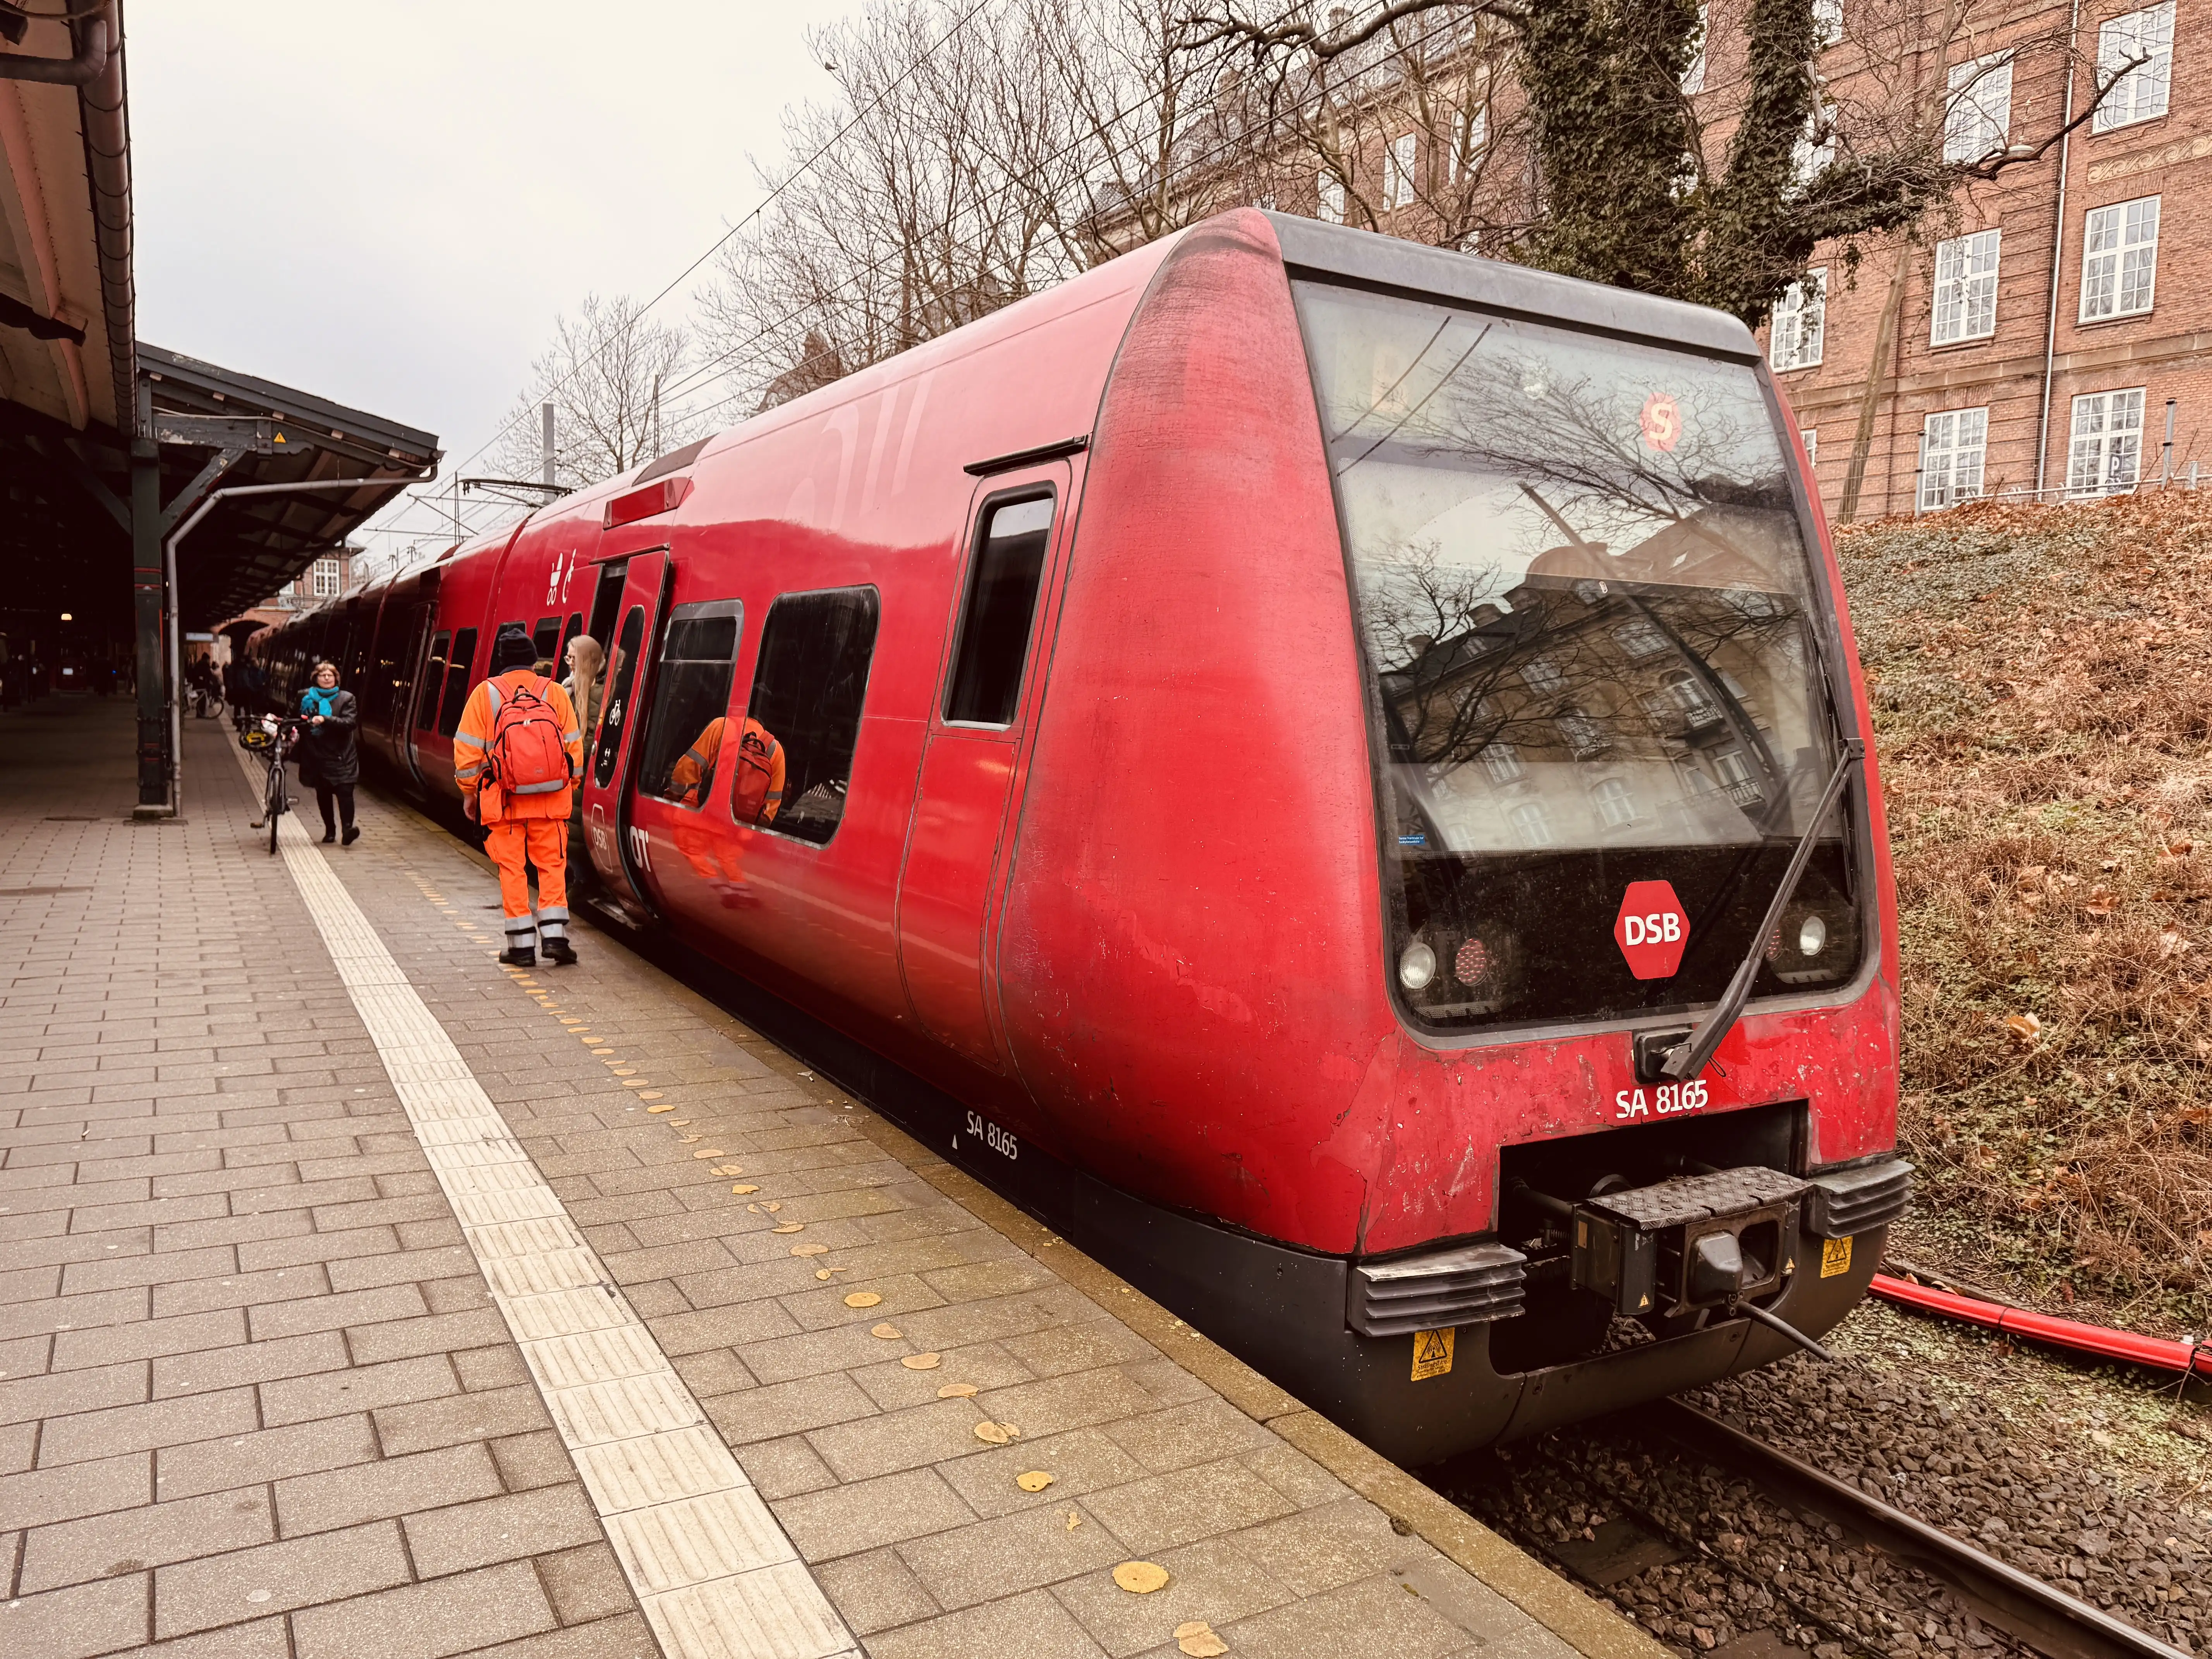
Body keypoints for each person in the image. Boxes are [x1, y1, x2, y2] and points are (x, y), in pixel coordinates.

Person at [455, 624, 585, 967]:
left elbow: (467, 756)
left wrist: (470, 795)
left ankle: (522, 947)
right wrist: (566, 787)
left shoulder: (484, 694)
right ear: (533, 661)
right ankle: (555, 939)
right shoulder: (554, 692)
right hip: (551, 801)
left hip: (503, 801)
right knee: (552, 866)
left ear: (502, 661)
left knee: (512, 869)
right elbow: (574, 749)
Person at [296, 661, 361, 845]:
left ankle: (347, 829)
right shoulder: (304, 697)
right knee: (323, 793)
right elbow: (293, 718)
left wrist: (326, 719)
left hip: (342, 755)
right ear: (315, 678)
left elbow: (349, 723)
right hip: (317, 753)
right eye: (322, 675)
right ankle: (330, 831)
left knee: (345, 791)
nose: (326, 678)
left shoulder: (347, 699)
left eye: (330, 675)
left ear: (336, 679)